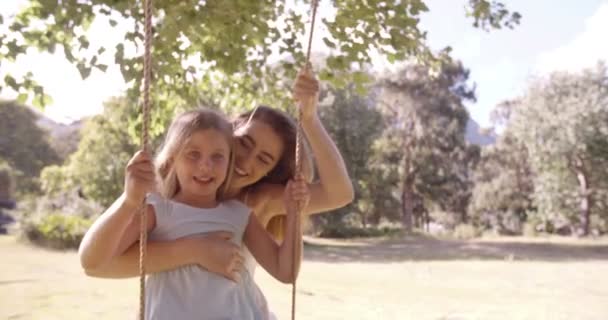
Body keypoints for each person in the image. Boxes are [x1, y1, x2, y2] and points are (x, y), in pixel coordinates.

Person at [79, 108, 310, 319]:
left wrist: (293, 214)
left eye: (217, 156)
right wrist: (128, 201)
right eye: (193, 154)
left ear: (229, 162)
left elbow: (285, 271)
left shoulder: (240, 215)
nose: (205, 166)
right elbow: (92, 260)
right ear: (172, 159)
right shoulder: (159, 210)